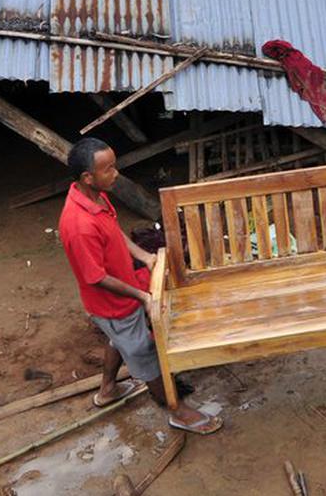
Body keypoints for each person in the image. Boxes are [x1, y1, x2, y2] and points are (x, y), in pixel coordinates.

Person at [59, 137, 222, 435]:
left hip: (123, 293)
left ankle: (107, 390)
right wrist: (142, 296)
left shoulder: (96, 197)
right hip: (112, 305)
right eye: (108, 169)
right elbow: (96, 277)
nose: (116, 173)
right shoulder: (78, 226)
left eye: (114, 165)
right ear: (87, 176)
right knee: (144, 352)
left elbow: (114, 231)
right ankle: (176, 411)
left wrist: (144, 256)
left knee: (119, 340)